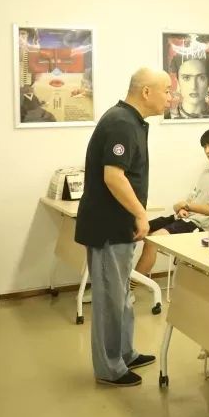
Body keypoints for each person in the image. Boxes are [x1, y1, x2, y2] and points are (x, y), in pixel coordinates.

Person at [75, 67, 171, 387]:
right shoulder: (121, 123)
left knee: (122, 294)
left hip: (119, 226)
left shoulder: (132, 121)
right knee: (110, 299)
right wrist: (142, 215)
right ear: (146, 92)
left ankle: (125, 353)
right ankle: (109, 368)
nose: (170, 97)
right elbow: (113, 177)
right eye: (166, 90)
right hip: (107, 228)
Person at [136, 128, 209, 276]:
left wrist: (186, 205)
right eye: (205, 147)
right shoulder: (207, 172)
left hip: (198, 224)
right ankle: (121, 281)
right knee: (138, 229)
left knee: (153, 240)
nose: (207, 151)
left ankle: (130, 287)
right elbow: (193, 196)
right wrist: (183, 208)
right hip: (184, 217)